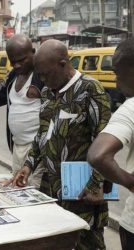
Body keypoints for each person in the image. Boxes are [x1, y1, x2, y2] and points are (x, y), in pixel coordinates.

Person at [10, 39, 111, 250]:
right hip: (52, 190)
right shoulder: (47, 93)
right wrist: (28, 166)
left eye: (46, 74)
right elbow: (42, 135)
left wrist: (96, 184)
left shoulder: (90, 89)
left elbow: (106, 143)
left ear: (63, 64)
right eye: (40, 75)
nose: (43, 80)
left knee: (87, 243)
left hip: (84, 193)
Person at [87, 38, 134, 250]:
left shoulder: (131, 107)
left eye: (117, 72)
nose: (116, 82)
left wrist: (130, 182)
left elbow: (98, 155)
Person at [0, 35, 44, 188]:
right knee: (17, 188)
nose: (17, 65)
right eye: (13, 61)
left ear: (33, 52)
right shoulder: (14, 75)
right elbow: (0, 97)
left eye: (22, 60)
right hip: (17, 146)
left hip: (37, 149)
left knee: (35, 192)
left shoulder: (42, 75)